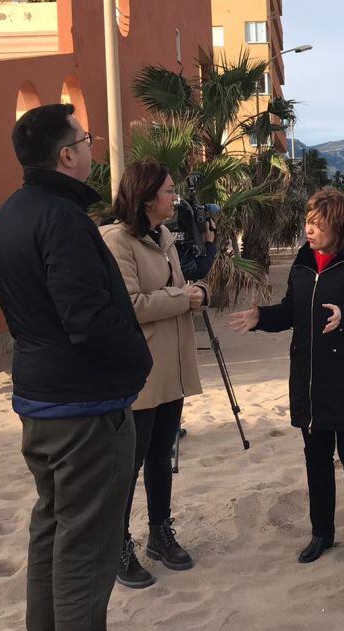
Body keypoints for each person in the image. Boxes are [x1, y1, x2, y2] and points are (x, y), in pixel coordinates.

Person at [0, 104, 159, 631]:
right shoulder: (62, 218)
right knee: (85, 541)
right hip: (84, 409)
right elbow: (87, 319)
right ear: (66, 155)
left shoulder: (10, 214)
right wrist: (139, 361)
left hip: (40, 400)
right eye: (85, 141)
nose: (92, 149)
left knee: (51, 526)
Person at [229, 187, 344, 563]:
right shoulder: (304, 260)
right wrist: (260, 319)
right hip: (310, 377)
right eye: (308, 222)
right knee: (316, 458)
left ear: (340, 225)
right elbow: (292, 310)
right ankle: (321, 534)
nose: (310, 230)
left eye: (318, 224)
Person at [101, 159, 208, 589]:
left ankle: (160, 533)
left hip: (172, 365)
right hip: (141, 370)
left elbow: (172, 290)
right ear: (146, 198)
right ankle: (118, 544)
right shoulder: (116, 241)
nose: (174, 196)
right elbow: (129, 304)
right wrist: (183, 298)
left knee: (162, 455)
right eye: (167, 190)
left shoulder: (162, 236)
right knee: (130, 462)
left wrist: (196, 293)